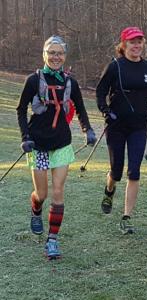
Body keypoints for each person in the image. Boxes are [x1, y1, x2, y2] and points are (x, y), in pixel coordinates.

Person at [16, 35, 96, 260]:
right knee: (41, 194)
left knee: (58, 192)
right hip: (38, 145)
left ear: (65, 56)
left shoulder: (70, 82)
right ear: (44, 54)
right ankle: (36, 208)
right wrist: (25, 137)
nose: (55, 56)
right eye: (51, 52)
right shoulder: (34, 80)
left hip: (61, 144)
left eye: (59, 53)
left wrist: (87, 129)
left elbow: (80, 108)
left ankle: (52, 240)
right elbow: (21, 110)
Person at [96, 26, 147, 234]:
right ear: (124, 44)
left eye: (139, 41)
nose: (136, 45)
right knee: (116, 172)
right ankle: (109, 190)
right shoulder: (114, 66)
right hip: (116, 126)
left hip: (138, 126)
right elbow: (100, 93)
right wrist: (106, 111)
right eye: (132, 41)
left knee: (134, 172)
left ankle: (126, 217)